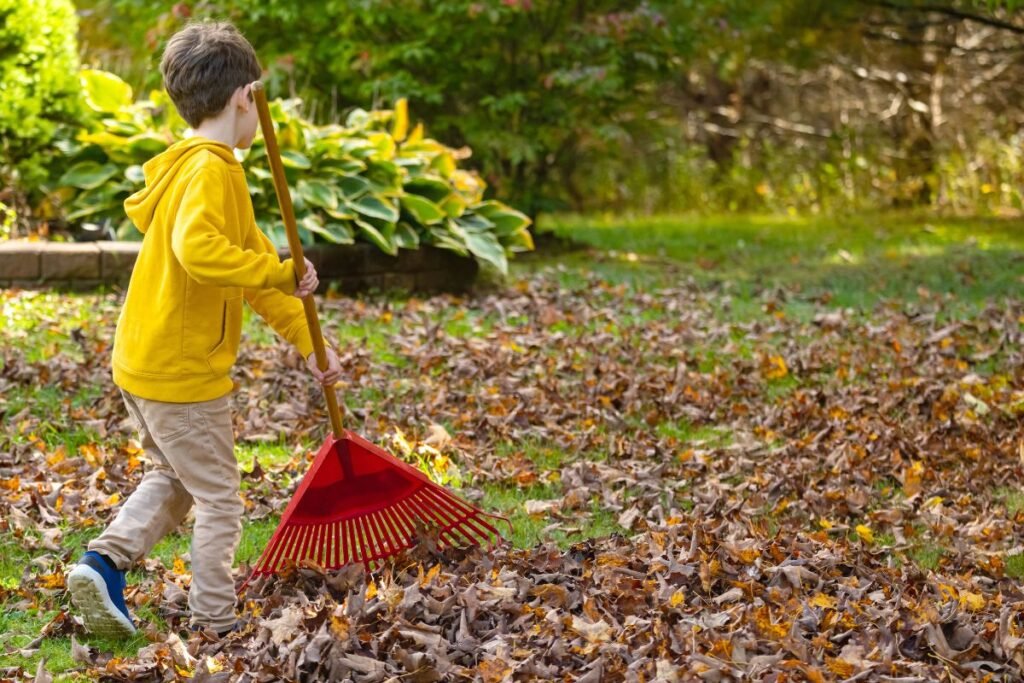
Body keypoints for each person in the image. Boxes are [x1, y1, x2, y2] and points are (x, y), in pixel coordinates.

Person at [66, 20, 341, 638]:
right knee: (220, 496)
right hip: (183, 372)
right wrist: (274, 271)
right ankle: (215, 619)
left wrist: (310, 342)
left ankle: (102, 566)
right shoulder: (213, 172)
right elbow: (204, 252)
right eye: (259, 99)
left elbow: (252, 274)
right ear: (247, 98)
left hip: (144, 362)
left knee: (176, 477)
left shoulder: (197, 168)